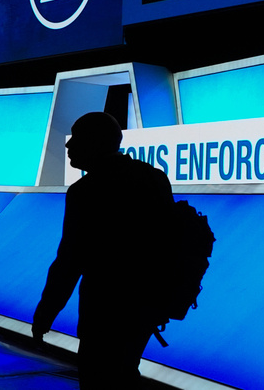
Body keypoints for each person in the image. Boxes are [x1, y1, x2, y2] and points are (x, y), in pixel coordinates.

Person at [33, 112, 173, 388]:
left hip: (103, 309)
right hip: (146, 306)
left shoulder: (85, 191)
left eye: (76, 137)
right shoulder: (154, 179)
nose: (68, 145)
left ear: (94, 142)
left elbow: (69, 261)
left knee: (98, 375)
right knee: (124, 371)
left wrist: (45, 313)